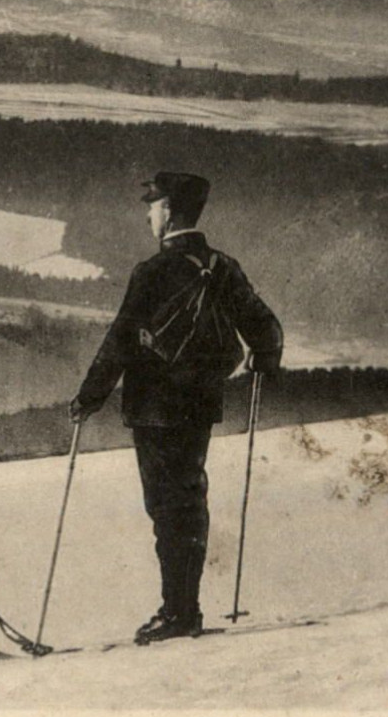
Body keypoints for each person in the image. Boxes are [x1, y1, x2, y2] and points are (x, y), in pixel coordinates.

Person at [69, 171, 283, 644]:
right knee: (189, 503)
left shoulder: (152, 273)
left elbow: (120, 341)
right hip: (200, 405)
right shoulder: (222, 267)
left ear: (169, 211)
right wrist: (262, 361)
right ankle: (186, 608)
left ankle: (178, 612)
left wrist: (90, 397)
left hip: (153, 409)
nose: (149, 213)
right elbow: (265, 327)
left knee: (166, 509)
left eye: (154, 205)